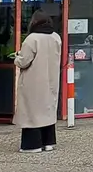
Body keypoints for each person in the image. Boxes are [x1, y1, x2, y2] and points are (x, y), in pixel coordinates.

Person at [13, 10, 62, 152]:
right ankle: (48, 142)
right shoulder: (56, 37)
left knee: (31, 112)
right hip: (51, 79)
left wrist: (16, 57)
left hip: (33, 81)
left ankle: (32, 145)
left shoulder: (32, 39)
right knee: (47, 110)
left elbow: (24, 62)